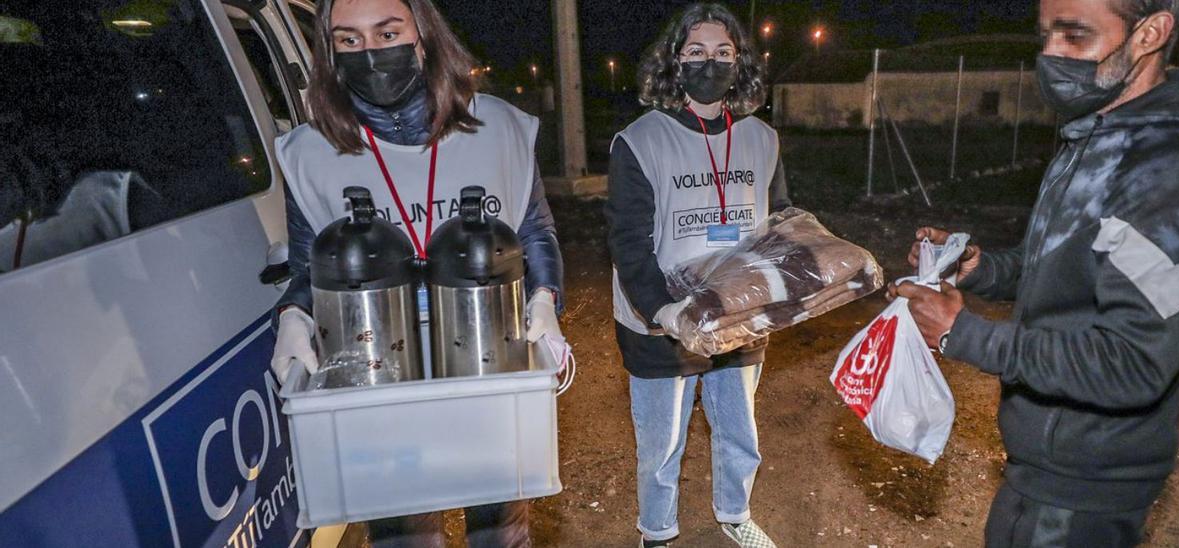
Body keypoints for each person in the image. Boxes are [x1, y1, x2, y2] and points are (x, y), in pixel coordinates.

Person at [892, 0, 1179, 546]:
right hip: (1045, 462)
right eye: (1045, 35)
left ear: (1150, 33)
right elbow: (1068, 266)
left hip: (1087, 483)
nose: (1051, 55)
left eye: (1075, 35)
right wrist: (983, 268)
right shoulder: (1101, 132)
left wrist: (962, 333)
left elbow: (1131, 364)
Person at [267, 0, 564, 545]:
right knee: (402, 530)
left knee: (500, 524)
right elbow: (310, 261)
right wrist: (292, 316)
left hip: (484, 353)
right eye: (349, 41)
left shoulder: (496, 127)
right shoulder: (311, 152)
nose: (371, 52)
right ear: (329, 52)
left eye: (388, 32)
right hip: (378, 365)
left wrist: (544, 299)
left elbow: (533, 231)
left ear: (423, 35)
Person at [605, 4, 789, 547]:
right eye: (697, 52)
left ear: (741, 63)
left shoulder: (762, 138)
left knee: (739, 430)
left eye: (723, 52)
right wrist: (665, 313)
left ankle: (735, 513)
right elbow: (628, 244)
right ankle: (657, 532)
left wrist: (791, 286)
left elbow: (779, 224)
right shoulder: (640, 141)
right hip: (662, 318)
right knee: (662, 442)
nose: (711, 63)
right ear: (674, 63)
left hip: (738, 314)